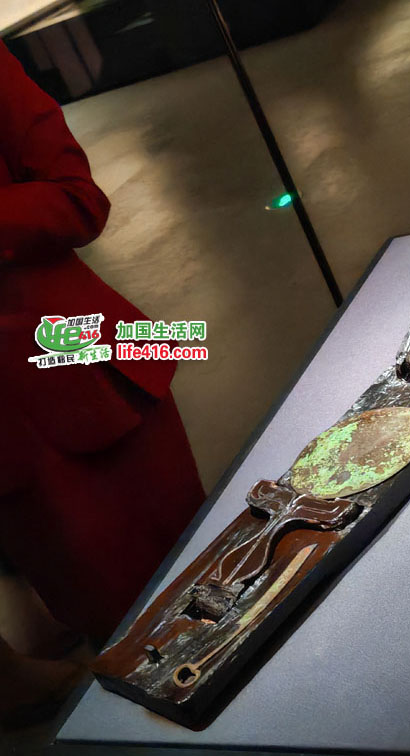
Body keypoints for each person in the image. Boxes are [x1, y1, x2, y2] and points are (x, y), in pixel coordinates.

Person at [0, 42, 205, 722]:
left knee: (190, 594)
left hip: (73, 368)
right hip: (19, 442)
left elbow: (78, 201)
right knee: (120, 642)